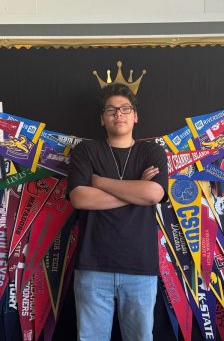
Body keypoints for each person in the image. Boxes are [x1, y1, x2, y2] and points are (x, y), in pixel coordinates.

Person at [67, 83, 168, 341]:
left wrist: (100, 183)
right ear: (102, 118)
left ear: (136, 115)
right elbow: (80, 197)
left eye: (125, 109)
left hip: (140, 270)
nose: (118, 114)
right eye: (111, 110)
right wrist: (136, 191)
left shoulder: (151, 152)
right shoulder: (86, 151)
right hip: (93, 268)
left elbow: (153, 194)